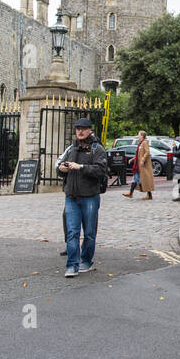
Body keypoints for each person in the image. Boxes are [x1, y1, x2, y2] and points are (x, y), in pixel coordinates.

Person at [56, 117, 107, 276]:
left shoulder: (97, 149)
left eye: (83, 129)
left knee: (90, 232)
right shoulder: (71, 149)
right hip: (71, 196)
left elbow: (100, 171)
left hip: (90, 196)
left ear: (89, 130)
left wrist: (81, 167)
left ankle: (86, 261)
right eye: (78, 128)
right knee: (72, 232)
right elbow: (59, 167)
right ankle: (72, 265)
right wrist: (61, 169)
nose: (80, 131)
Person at [123, 130, 155, 200]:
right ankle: (148, 195)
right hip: (138, 166)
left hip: (142, 166)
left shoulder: (144, 143)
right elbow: (138, 155)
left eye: (139, 135)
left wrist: (143, 160)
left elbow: (147, 152)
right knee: (139, 179)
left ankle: (131, 193)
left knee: (137, 179)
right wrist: (132, 159)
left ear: (142, 136)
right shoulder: (140, 144)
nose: (138, 136)